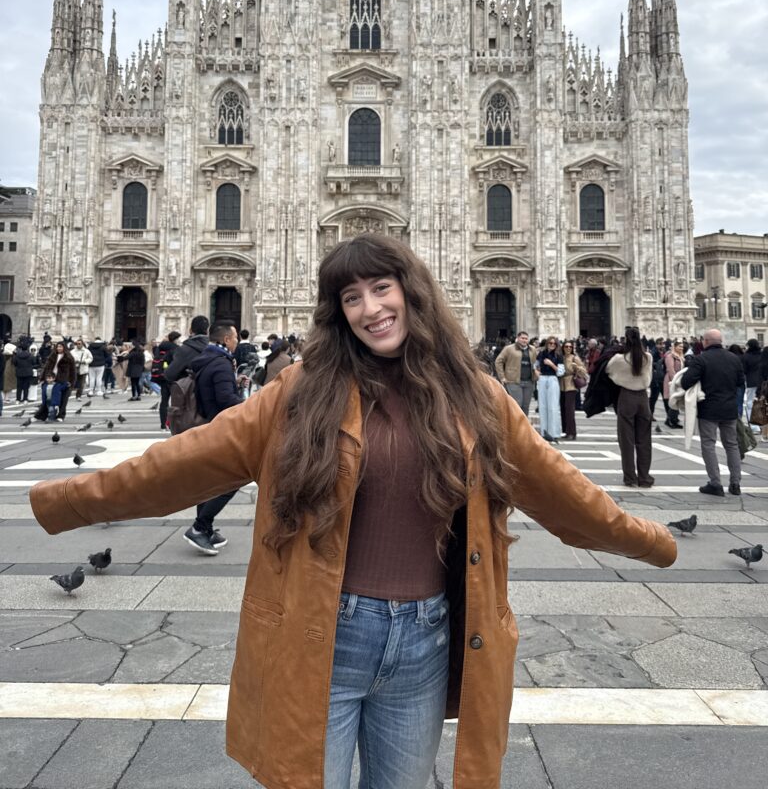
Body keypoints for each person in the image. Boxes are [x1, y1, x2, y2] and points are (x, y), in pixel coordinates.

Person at [29, 233, 677, 789]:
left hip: (426, 640)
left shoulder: (474, 397)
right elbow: (179, 465)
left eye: (382, 289)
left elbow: (560, 489)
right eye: (351, 297)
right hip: (323, 632)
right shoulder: (299, 396)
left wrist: (652, 542)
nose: (371, 308)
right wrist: (62, 501)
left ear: (412, 294)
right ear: (338, 313)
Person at [182, 321, 244, 554]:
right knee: (233, 480)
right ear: (226, 339)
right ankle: (199, 528)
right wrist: (251, 405)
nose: (237, 340)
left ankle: (205, 529)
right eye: (235, 336)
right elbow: (226, 400)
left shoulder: (209, 360)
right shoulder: (221, 364)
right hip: (222, 429)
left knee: (208, 483)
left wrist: (234, 383)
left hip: (208, 426)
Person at [681, 328, 745, 496]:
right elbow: (740, 382)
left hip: (708, 409)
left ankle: (715, 483)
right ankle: (735, 483)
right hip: (729, 409)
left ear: (706, 342)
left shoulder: (701, 359)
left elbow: (686, 382)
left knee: (708, 445)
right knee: (732, 445)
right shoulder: (734, 359)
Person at [606, 326, 654, 488]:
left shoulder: (619, 359)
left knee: (626, 441)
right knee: (644, 440)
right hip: (643, 399)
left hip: (626, 397)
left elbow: (608, 371)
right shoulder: (648, 357)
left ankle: (630, 478)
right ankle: (645, 477)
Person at [494, 331, 537, 417]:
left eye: (526, 338)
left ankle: (524, 427)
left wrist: (536, 373)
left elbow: (535, 362)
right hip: (513, 381)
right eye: (522, 338)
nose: (524, 340)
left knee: (525, 406)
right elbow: (498, 361)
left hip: (529, 381)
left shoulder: (532, 349)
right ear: (518, 338)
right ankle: (515, 427)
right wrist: (502, 377)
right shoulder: (509, 349)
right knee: (517, 405)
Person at [164, 315, 210, 384]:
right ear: (207, 331)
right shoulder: (215, 349)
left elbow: (169, 375)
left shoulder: (184, 350)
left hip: (191, 392)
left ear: (190, 330)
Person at [37, 341, 77, 422]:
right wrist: (42, 378)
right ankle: (45, 415)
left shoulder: (69, 357)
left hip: (63, 381)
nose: (59, 348)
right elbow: (46, 367)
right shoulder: (52, 356)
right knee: (49, 399)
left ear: (64, 348)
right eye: (58, 347)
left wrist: (71, 382)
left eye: (61, 347)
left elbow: (73, 371)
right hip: (51, 379)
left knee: (63, 399)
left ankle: (61, 416)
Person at [535, 336, 564, 442]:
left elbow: (560, 372)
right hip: (542, 378)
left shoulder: (559, 355)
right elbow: (536, 365)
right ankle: (544, 432)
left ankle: (554, 432)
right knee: (542, 406)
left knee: (553, 406)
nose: (552, 345)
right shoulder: (541, 354)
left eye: (554, 343)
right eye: (550, 343)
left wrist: (552, 364)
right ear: (547, 343)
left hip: (553, 378)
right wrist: (537, 373)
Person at [153, 331, 181, 430]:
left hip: (161, 377)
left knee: (164, 401)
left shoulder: (160, 348)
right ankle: (173, 422)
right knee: (175, 401)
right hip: (172, 378)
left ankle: (163, 423)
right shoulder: (175, 349)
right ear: (175, 339)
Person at [559, 340, 587, 440]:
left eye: (570, 347)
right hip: (561, 385)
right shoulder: (561, 357)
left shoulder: (575, 358)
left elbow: (584, 371)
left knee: (570, 410)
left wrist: (577, 368)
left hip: (571, 385)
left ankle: (572, 432)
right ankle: (566, 431)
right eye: (566, 347)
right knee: (563, 409)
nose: (568, 348)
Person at [662, 340, 685, 428]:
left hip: (678, 380)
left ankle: (672, 420)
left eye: (682, 347)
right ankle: (670, 420)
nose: (681, 348)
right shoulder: (670, 356)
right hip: (671, 380)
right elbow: (670, 369)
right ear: (674, 347)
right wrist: (674, 381)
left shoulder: (680, 357)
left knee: (676, 400)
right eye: (679, 346)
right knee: (673, 400)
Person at [743, 339, 764, 432]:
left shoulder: (746, 356)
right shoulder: (762, 355)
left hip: (751, 381)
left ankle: (753, 426)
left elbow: (744, 370)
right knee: (761, 402)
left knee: (750, 403)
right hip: (762, 381)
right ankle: (761, 424)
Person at [12, 338, 36, 403]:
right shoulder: (30, 356)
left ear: (21, 348)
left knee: (19, 387)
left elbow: (14, 363)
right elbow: (34, 362)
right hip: (28, 372)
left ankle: (18, 399)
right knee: (26, 386)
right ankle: (25, 399)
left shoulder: (17, 356)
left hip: (19, 372)